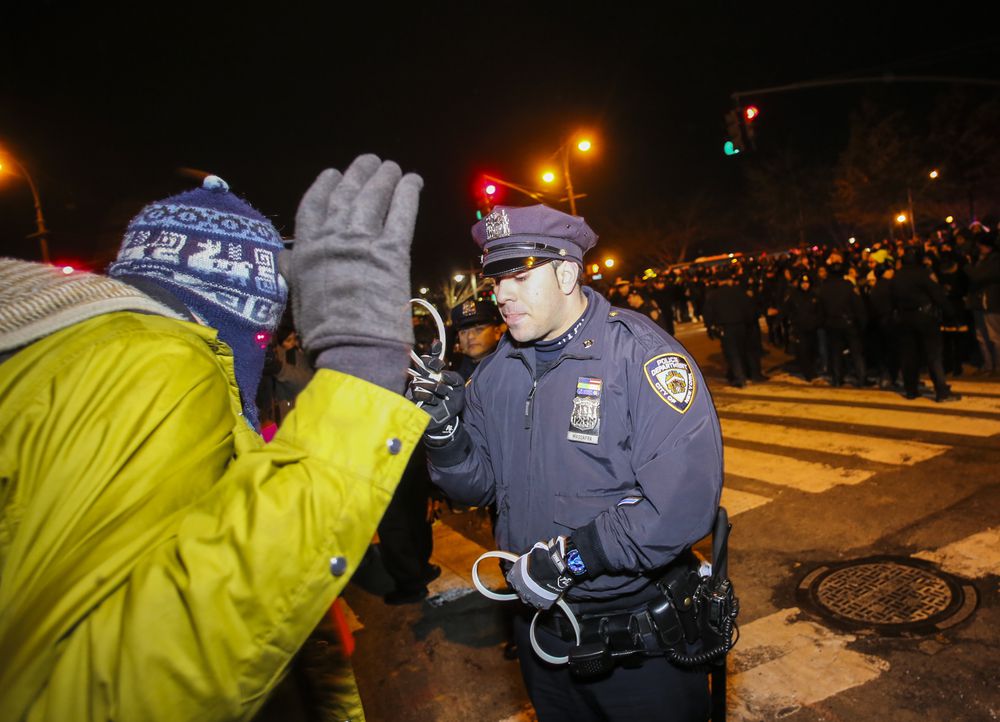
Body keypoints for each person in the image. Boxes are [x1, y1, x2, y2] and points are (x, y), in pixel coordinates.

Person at [0, 155, 428, 721]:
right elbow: (118, 687)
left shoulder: (86, 361)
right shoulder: (158, 365)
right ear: (237, 315)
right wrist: (356, 373)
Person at [412, 205, 723, 722]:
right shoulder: (495, 374)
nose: (501, 294)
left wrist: (572, 557)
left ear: (566, 273)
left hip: (638, 648)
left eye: (518, 275)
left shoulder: (640, 358)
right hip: (542, 638)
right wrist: (444, 436)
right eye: (496, 279)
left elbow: (682, 506)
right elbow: (477, 485)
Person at [450, 297, 506, 379]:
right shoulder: (454, 378)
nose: (470, 336)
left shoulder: (512, 368)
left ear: (497, 332)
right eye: (463, 332)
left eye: (479, 329)